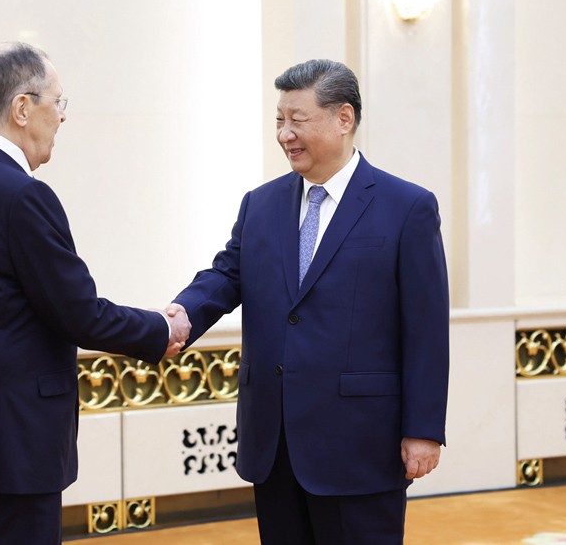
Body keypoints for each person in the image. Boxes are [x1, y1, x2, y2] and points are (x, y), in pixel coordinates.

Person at [0, 42, 190, 544]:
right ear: (22, 108)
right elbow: (79, 313)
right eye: (58, 101)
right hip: (10, 455)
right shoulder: (21, 194)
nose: (63, 116)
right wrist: (161, 329)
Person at [168, 59, 449, 544]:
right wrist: (179, 315)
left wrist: (423, 429)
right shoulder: (260, 204)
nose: (284, 134)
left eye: (297, 120)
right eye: (279, 120)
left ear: (344, 118)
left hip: (361, 445)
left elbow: (426, 329)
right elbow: (226, 274)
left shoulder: (407, 207)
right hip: (274, 444)